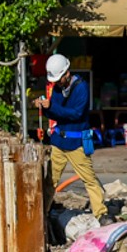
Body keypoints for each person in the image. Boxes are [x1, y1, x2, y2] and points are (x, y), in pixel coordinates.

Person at [32, 54, 109, 219]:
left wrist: (51, 106)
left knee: (89, 179)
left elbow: (75, 114)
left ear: (67, 73)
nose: (58, 83)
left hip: (76, 143)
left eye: (59, 79)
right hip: (59, 141)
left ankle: (101, 214)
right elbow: (56, 112)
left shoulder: (81, 88)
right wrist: (45, 107)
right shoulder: (58, 89)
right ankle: (42, 214)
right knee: (50, 181)